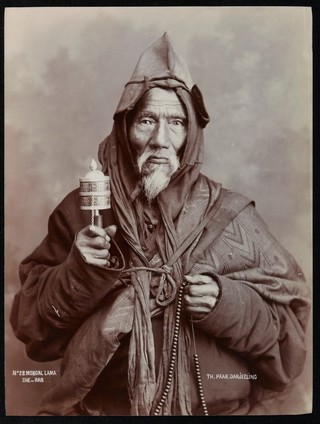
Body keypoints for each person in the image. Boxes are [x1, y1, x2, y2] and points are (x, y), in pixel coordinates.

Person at [10, 33, 310, 416]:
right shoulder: (84, 212)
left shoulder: (233, 216)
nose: (160, 140)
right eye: (147, 120)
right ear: (125, 128)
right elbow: (33, 328)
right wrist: (80, 270)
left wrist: (226, 303)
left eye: (176, 122)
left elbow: (289, 348)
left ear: (192, 135)